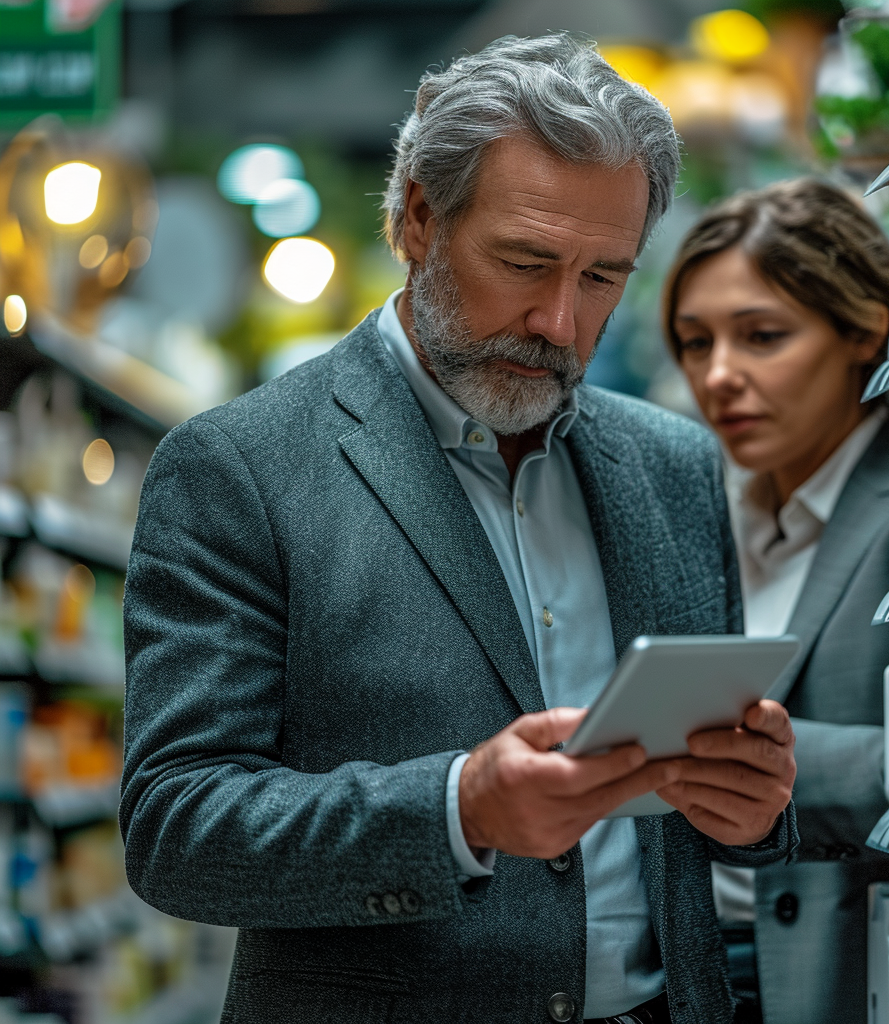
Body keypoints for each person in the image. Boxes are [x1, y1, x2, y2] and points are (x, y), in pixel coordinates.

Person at [119, 34, 798, 1024]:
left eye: (603, 276)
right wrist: (455, 809)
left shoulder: (674, 466)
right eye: (524, 262)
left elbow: (693, 821)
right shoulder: (239, 468)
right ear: (416, 217)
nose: (561, 323)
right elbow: (176, 830)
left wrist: (749, 808)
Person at [663, 178, 889, 1024]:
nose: (720, 376)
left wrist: (757, 759)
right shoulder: (695, 510)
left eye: (762, 337)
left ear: (863, 331)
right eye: (693, 342)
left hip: (834, 969)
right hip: (680, 964)